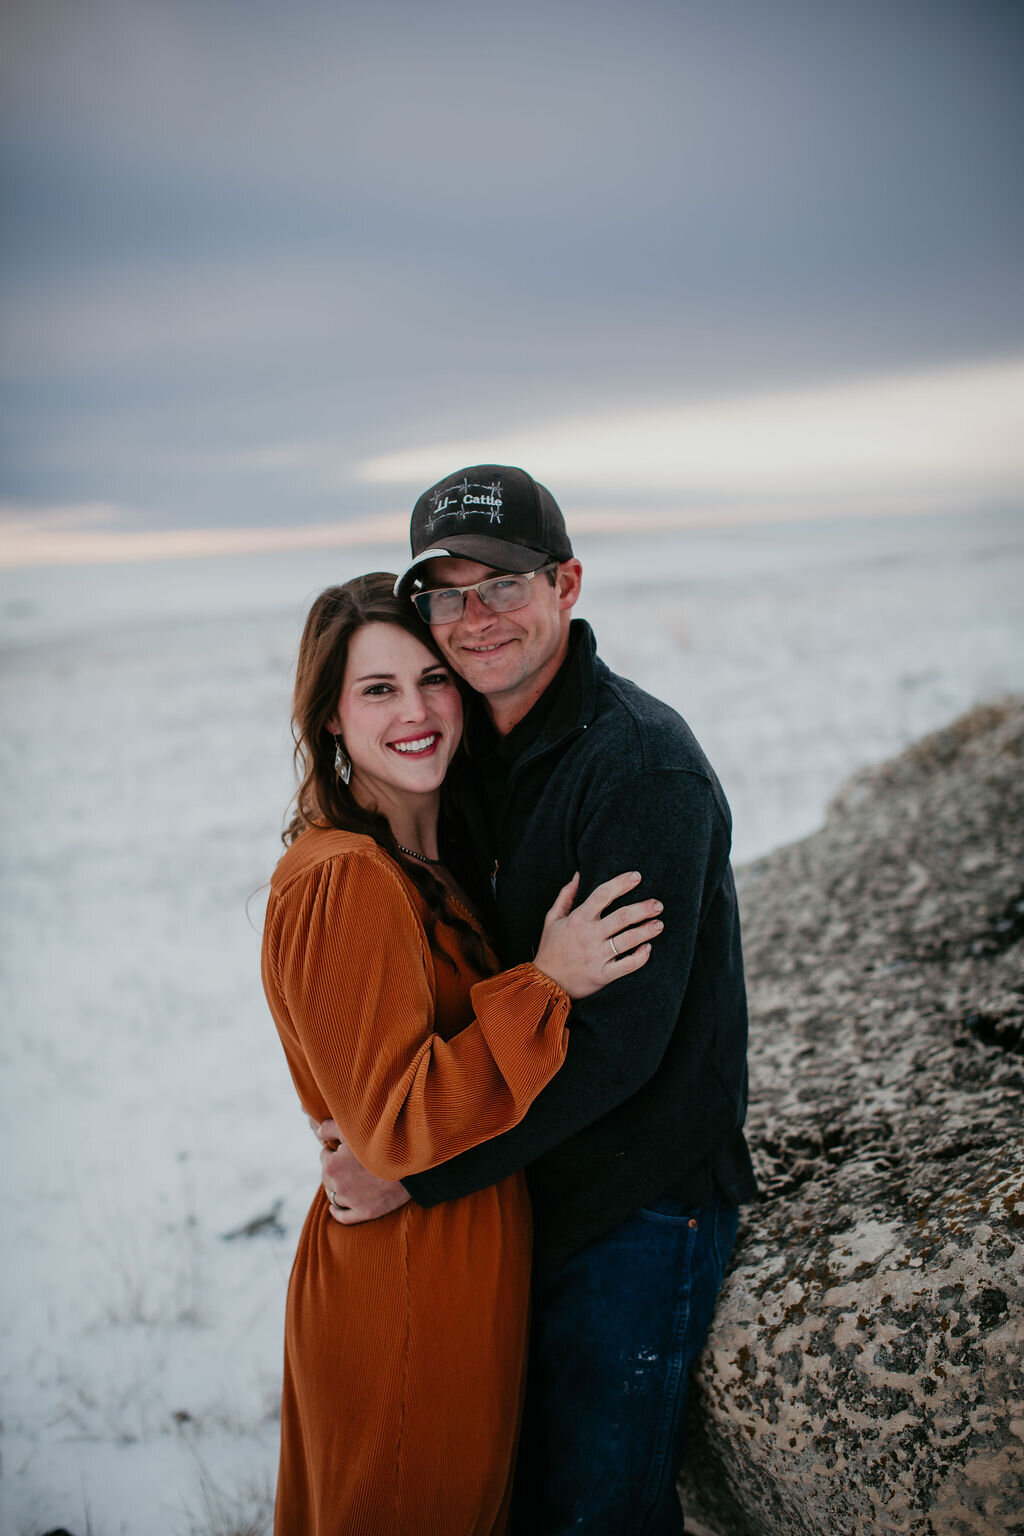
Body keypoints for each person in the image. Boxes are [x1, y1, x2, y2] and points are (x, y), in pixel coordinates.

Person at [319, 467, 758, 1534]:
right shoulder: (470, 750)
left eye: (503, 586)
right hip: (523, 1195)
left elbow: (623, 1049)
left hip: (638, 1208)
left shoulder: (638, 770)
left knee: (594, 1515)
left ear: (565, 583)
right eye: (447, 595)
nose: (474, 621)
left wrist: (415, 1177)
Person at [261, 572, 663, 1536]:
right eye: (378, 689)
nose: (417, 710)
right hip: (406, 1278)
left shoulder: (429, 858)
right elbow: (395, 1126)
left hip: (460, 1261)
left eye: (433, 679)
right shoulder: (347, 878)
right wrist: (547, 984)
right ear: (327, 722)